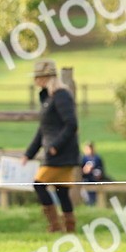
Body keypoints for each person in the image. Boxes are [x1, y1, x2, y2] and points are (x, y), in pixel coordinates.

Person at [21, 59, 79, 232]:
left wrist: (55, 146)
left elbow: (71, 124)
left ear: (46, 77)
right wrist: (28, 154)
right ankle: (69, 228)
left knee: (38, 184)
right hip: (56, 153)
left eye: (37, 77)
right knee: (61, 191)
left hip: (60, 154)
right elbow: (43, 130)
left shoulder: (61, 96)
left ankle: (55, 226)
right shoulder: (49, 97)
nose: (35, 81)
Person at [80, 141, 108, 206]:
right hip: (85, 181)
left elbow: (102, 170)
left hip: (96, 181)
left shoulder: (97, 158)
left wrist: (99, 174)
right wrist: (85, 170)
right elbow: (79, 172)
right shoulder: (83, 159)